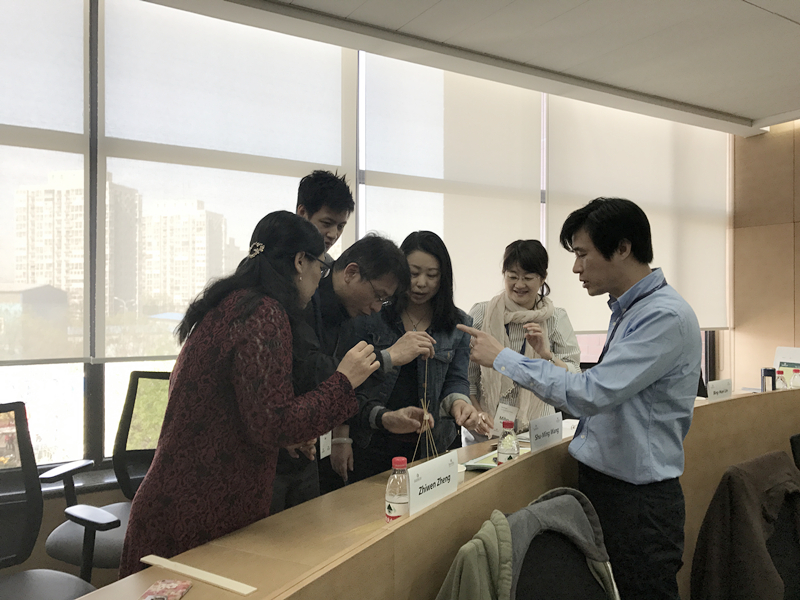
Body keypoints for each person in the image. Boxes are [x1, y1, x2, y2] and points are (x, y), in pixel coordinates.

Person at [461, 197, 701, 600]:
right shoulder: (629, 309)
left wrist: (503, 358)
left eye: (583, 254)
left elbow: (590, 393)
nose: (575, 268)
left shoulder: (663, 316)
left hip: (637, 501)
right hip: (611, 488)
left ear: (622, 248)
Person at [119, 211, 378, 577]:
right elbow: (273, 423)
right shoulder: (264, 313)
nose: (320, 279)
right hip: (200, 512)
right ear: (300, 262)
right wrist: (344, 381)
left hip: (182, 500)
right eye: (320, 268)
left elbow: (243, 410)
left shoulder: (233, 302)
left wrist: (289, 437)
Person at [272, 233, 437, 508]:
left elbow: (348, 392)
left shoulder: (350, 312)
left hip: (307, 445)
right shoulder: (302, 304)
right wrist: (390, 357)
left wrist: (384, 418)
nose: (376, 308)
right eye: (378, 296)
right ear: (350, 273)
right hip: (277, 452)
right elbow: (314, 372)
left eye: (384, 301)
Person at [342, 231, 490, 483]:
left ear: (443, 277)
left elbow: (456, 380)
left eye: (432, 275)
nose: (422, 283)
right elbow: (351, 384)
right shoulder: (372, 314)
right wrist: (341, 438)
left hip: (436, 443)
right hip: (375, 440)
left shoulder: (458, 323)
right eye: (413, 273)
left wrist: (460, 403)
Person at [463, 239, 580, 445]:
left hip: (539, 429)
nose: (519, 284)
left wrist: (547, 355)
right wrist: (478, 413)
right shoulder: (482, 313)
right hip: (487, 432)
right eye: (512, 276)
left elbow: (574, 376)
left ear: (542, 278)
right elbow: (467, 377)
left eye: (528, 277)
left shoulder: (555, 318)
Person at [296, 170, 354, 259]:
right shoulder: (274, 256)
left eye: (340, 226)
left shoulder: (330, 265)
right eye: (327, 223)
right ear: (302, 213)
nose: (333, 235)